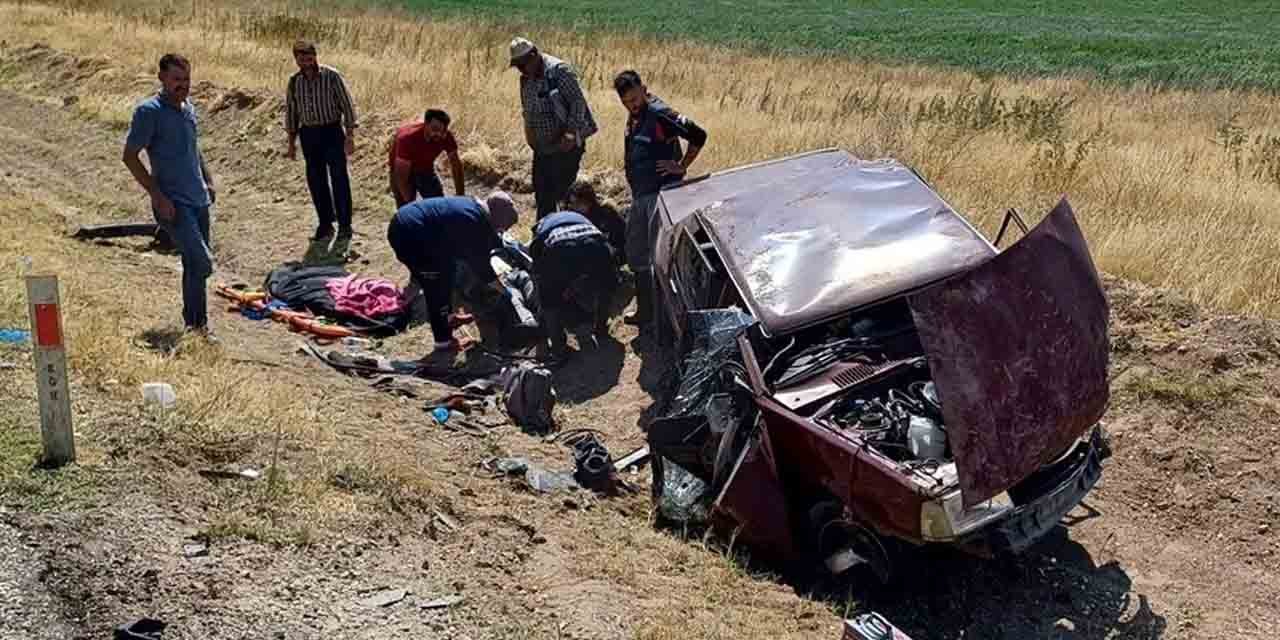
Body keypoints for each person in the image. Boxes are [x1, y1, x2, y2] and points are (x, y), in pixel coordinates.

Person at [122, 53, 218, 339]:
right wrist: (157, 195)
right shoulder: (148, 112)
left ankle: (197, 327)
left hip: (199, 200)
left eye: (186, 79)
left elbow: (193, 148)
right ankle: (194, 324)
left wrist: (208, 180)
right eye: (176, 79)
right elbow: (130, 156)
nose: (183, 85)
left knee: (193, 265)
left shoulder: (189, 108)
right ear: (162, 77)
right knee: (202, 262)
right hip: (173, 203)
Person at [614, 70, 707, 329]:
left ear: (644, 89)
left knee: (659, 257)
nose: (632, 105)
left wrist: (682, 165)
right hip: (641, 196)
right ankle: (645, 311)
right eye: (626, 102)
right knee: (637, 254)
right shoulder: (636, 116)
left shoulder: (660, 113)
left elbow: (699, 135)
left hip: (661, 196)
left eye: (635, 99)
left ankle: (664, 320)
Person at [386, 193, 520, 354]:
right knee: (436, 287)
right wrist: (504, 291)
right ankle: (443, 343)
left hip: (411, 224)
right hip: (409, 235)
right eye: (501, 228)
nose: (499, 231)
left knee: (448, 268)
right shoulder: (474, 223)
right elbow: (483, 269)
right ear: (496, 219)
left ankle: (449, 318)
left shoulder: (473, 207)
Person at [509, 37, 598, 221]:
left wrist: (570, 133)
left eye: (522, 64)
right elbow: (528, 110)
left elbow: (577, 102)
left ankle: (566, 229)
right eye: (518, 66)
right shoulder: (525, 79)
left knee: (562, 195)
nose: (521, 69)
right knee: (542, 194)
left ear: (534, 56)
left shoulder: (559, 71)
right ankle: (545, 233)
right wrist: (530, 136)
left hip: (565, 147)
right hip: (542, 148)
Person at [285, 41, 359, 241]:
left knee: (339, 178)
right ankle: (325, 224)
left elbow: (347, 105)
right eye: (301, 58)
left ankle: (345, 225)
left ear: (315, 56)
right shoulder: (294, 81)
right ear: (296, 59)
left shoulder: (331, 76)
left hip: (332, 132)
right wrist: (291, 143)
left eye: (309, 57)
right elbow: (292, 112)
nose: (306, 62)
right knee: (316, 181)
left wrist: (350, 136)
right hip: (309, 135)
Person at [529, 210, 619, 359]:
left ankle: (558, 347)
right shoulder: (576, 217)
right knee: (606, 286)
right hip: (596, 244)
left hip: (559, 249)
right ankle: (601, 328)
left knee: (549, 300)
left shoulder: (541, 229)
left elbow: (538, 271)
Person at [388, 108, 466, 207]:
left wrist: (460, 197)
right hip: (400, 172)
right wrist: (410, 203)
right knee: (406, 209)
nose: (439, 134)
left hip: (425, 168)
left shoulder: (445, 136)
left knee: (438, 206)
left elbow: (456, 166)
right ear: (425, 125)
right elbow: (401, 176)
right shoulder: (407, 139)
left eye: (443, 130)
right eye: (435, 129)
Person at [565, 180, 626, 267]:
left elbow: (622, 239)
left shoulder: (606, 214)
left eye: (578, 203)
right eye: (571, 203)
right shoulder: (570, 217)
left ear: (588, 201)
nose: (574, 207)